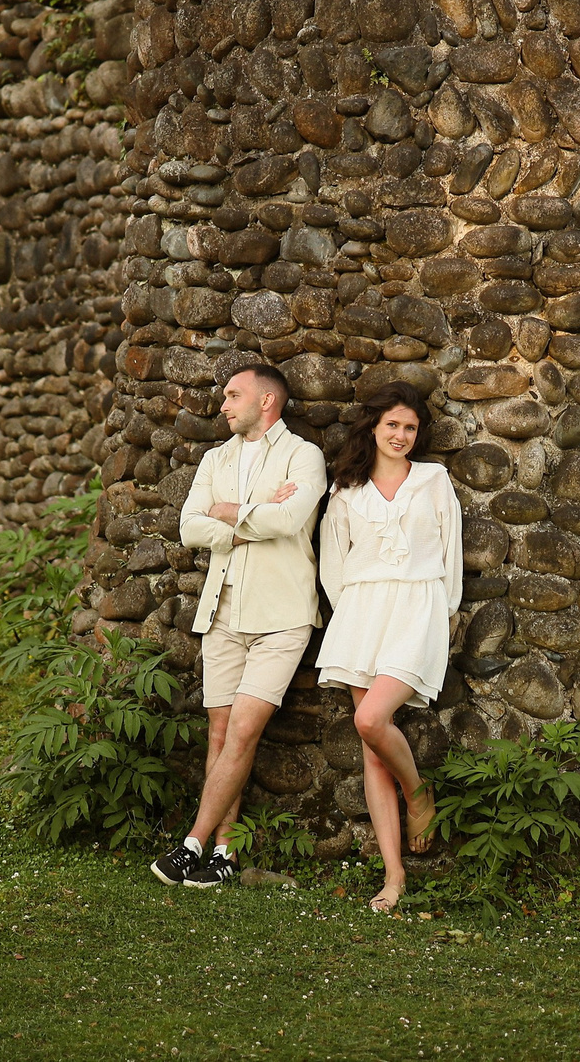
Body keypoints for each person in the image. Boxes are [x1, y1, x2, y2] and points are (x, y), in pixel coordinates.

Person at [151, 363, 327, 890]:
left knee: (245, 732)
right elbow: (189, 527)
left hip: (282, 616)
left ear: (267, 400)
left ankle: (192, 843)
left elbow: (289, 520)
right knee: (221, 733)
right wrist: (251, 517)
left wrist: (227, 512)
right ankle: (224, 853)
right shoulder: (216, 458)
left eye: (233, 395)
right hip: (222, 611)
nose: (223, 404)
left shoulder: (304, 455)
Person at [316, 381, 462, 914]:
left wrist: (443, 611)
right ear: (373, 427)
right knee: (371, 751)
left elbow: (451, 554)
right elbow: (333, 566)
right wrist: (354, 613)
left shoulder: (433, 480)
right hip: (361, 615)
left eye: (410, 427)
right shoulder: (345, 490)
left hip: (418, 609)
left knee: (371, 720)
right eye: (392, 425)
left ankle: (418, 794)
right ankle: (394, 877)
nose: (401, 435)